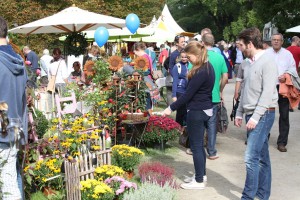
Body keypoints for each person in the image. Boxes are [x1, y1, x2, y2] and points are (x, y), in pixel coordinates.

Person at [163, 41, 215, 190]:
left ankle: (199, 181)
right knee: (199, 146)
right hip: (203, 109)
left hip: (198, 111)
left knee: (196, 146)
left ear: (197, 54)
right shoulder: (207, 67)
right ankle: (201, 175)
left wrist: (170, 108)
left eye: (189, 56)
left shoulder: (201, 71)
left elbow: (187, 95)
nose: (188, 59)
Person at [235, 27, 278, 200]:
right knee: (261, 157)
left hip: (263, 114)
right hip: (251, 113)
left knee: (250, 158)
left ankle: (248, 197)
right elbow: (245, 88)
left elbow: (267, 93)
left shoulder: (268, 61)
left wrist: (254, 117)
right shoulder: (247, 62)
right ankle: (262, 194)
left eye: (241, 45)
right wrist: (239, 112)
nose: (240, 49)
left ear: (250, 43)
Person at [0, 16, 28, 200]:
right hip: (15, 128)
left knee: (8, 184)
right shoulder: (18, 60)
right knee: (10, 178)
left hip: (2, 131)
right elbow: (24, 100)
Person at [266, 33, 296, 152]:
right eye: (274, 40)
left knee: (284, 115)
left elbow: (293, 68)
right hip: (269, 87)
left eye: (278, 40)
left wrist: (286, 75)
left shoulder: (287, 54)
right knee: (266, 114)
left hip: (283, 88)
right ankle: (263, 138)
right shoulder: (266, 53)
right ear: (271, 41)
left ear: (282, 42)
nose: (276, 42)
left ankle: (282, 142)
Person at [201, 33, 228, 160]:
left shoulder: (200, 56)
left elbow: (189, 74)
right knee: (212, 125)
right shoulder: (220, 57)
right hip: (214, 96)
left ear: (202, 42)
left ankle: (196, 148)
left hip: (200, 96)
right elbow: (225, 77)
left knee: (199, 122)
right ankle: (211, 152)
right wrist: (220, 89)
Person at [133, 42, 154, 115]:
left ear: (138, 49)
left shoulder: (144, 57)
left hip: (145, 81)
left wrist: (136, 72)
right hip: (147, 81)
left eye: (135, 51)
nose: (134, 53)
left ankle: (148, 119)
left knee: (146, 102)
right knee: (147, 101)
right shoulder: (147, 56)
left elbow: (146, 71)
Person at [166, 35, 186, 105]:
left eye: (184, 41)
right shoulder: (174, 54)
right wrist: (175, 77)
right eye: (182, 42)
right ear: (177, 43)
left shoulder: (187, 53)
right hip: (177, 80)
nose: (184, 43)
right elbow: (170, 67)